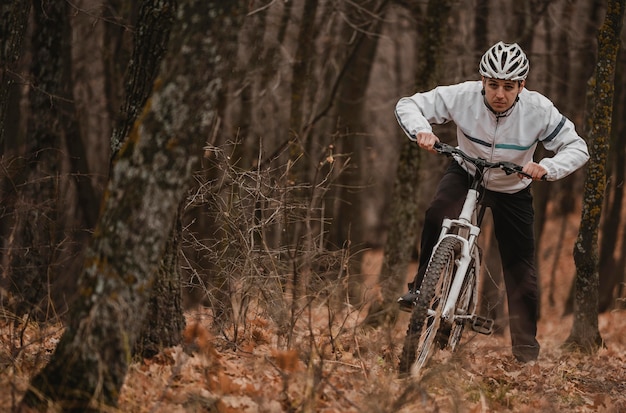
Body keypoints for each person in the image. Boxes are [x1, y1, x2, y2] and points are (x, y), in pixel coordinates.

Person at [393, 41, 589, 363]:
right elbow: (408, 104)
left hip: (513, 186)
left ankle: (525, 352)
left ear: (521, 86)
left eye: (509, 87)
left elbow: (577, 147)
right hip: (467, 170)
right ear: (482, 80)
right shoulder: (463, 96)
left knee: (520, 270)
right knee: (436, 214)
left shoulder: (538, 110)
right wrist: (422, 131)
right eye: (493, 84)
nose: (499, 94)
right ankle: (420, 290)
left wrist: (547, 167)